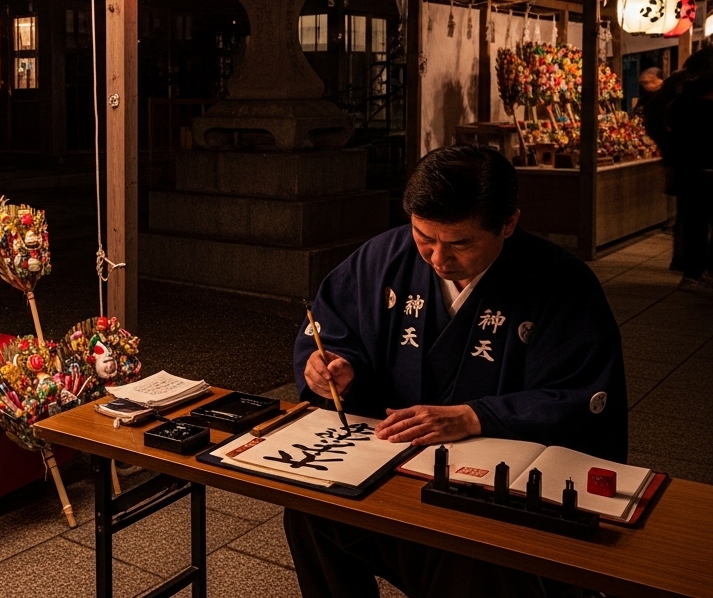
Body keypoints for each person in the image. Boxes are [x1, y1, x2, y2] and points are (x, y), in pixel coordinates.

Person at [284, 144, 626, 598]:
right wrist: (337, 368)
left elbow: (581, 396)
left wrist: (474, 416)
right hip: (392, 464)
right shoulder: (383, 259)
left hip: (488, 489)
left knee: (470, 550)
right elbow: (333, 330)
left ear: (508, 223)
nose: (438, 259)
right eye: (424, 236)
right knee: (311, 512)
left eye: (460, 243)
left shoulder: (560, 283)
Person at [646, 47, 713, 293]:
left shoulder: (680, 97)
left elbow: (657, 122)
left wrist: (672, 152)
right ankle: (696, 271)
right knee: (695, 219)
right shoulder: (683, 98)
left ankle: (692, 271)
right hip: (694, 166)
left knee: (692, 218)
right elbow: (656, 121)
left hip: (688, 165)